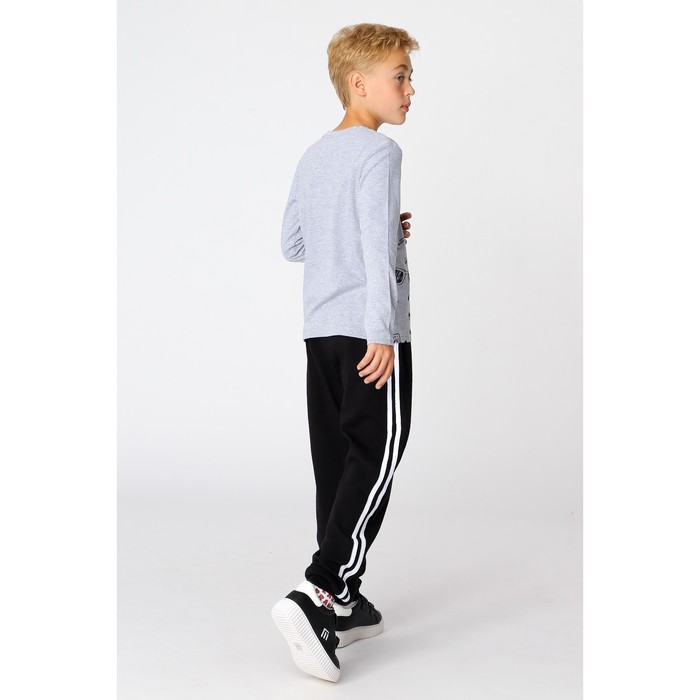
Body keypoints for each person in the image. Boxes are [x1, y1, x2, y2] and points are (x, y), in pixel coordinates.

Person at [270, 22, 419, 683]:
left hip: (321, 332)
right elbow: (373, 260)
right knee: (377, 455)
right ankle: (321, 588)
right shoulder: (380, 154)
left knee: (337, 462)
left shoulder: (314, 154)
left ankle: (347, 605)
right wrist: (382, 332)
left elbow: (294, 244)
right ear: (359, 83)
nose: (410, 90)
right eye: (400, 76)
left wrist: (380, 228)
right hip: (368, 331)